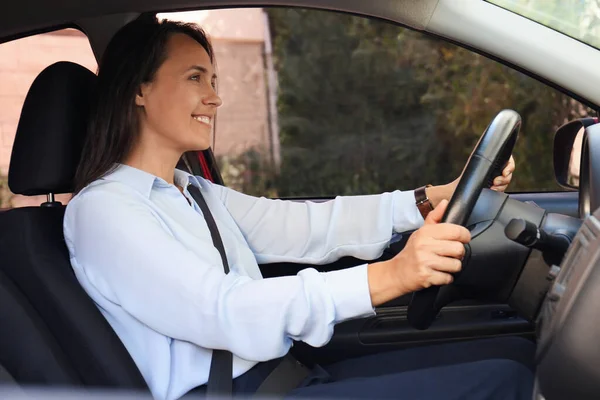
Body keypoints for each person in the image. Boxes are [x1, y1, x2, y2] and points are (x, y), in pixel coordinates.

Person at [63, 17, 530, 400]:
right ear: (138, 90)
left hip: (282, 376)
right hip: (231, 393)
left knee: (514, 355)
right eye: (194, 78)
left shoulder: (193, 192)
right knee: (503, 382)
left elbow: (310, 226)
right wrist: (391, 275)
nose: (216, 97)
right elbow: (223, 310)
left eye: (215, 80)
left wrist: (430, 197)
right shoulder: (103, 211)